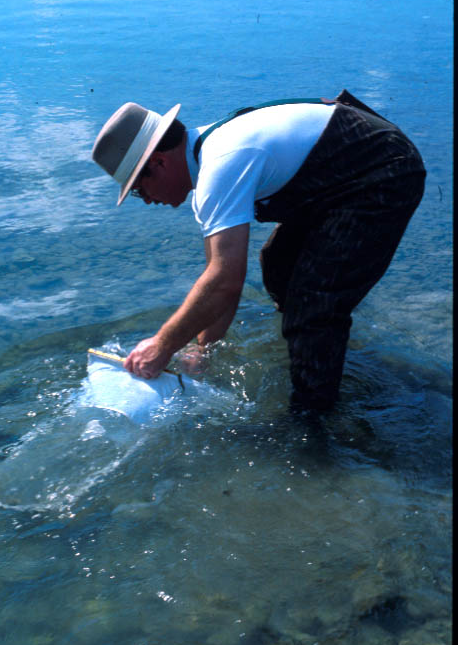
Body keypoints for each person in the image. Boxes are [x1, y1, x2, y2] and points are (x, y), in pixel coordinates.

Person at [91, 90, 426, 410]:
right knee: (280, 267)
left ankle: (312, 425)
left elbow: (225, 281)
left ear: (160, 162)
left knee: (314, 301)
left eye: (138, 188)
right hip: (340, 176)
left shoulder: (220, 166)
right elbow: (219, 282)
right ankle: (313, 354)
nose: (147, 200)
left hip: (383, 168)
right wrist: (201, 351)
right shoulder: (208, 164)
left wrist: (162, 345)